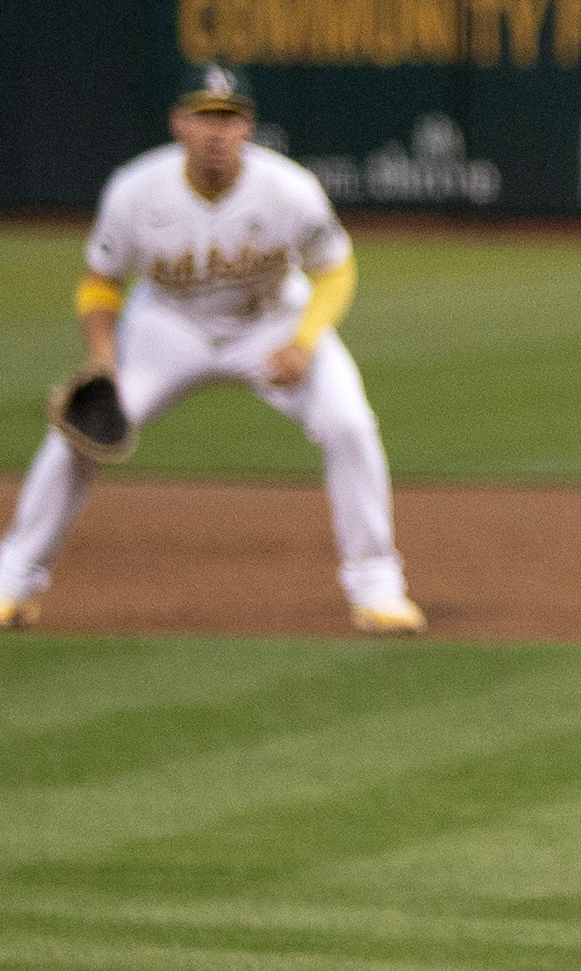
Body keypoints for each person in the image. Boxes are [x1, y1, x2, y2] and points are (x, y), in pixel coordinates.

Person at [0, 65, 421, 635]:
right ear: (179, 124)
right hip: (167, 327)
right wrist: (103, 356)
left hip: (272, 321)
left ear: (247, 126)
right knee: (82, 429)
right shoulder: (135, 190)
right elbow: (100, 281)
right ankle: (14, 581)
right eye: (203, 117)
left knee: (348, 423)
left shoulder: (289, 189)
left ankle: (377, 589)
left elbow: (335, 270)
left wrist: (303, 341)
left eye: (228, 117)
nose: (216, 131)